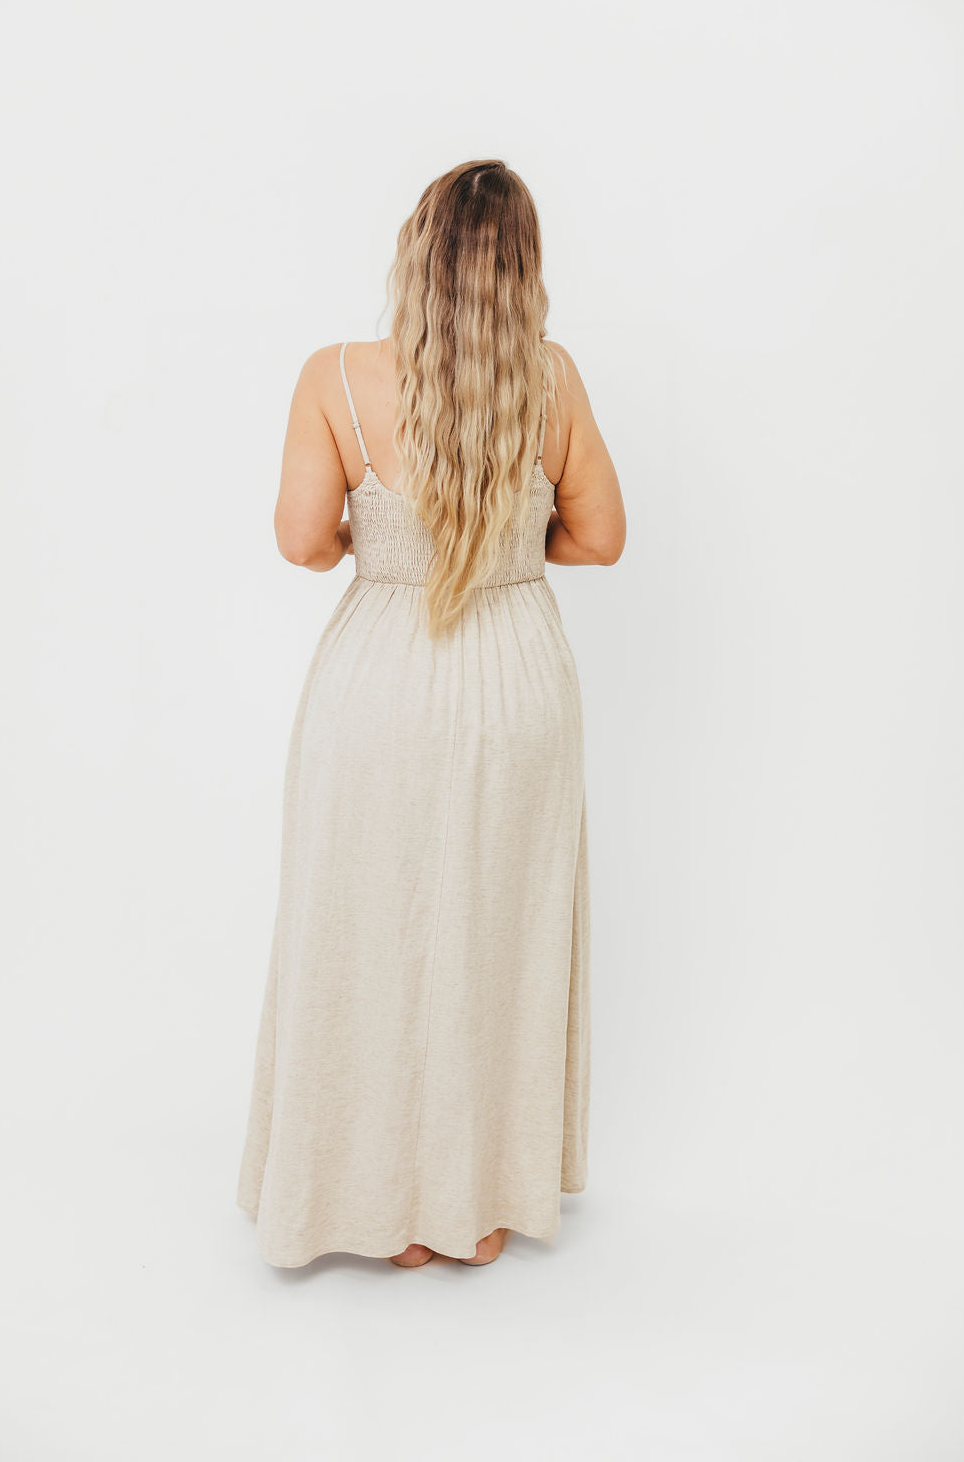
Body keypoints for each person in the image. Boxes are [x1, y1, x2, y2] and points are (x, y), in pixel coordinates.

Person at [236, 159, 626, 1270]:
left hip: (379, 684)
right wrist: (503, 551)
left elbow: (303, 542)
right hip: (517, 682)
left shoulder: (336, 377)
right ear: (524, 269)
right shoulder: (551, 380)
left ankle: (370, 1200)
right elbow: (599, 537)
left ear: (415, 252)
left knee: (368, 930)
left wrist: (388, 541)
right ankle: (477, 1205)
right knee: (496, 934)